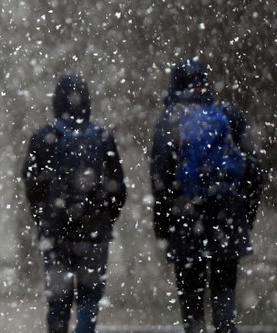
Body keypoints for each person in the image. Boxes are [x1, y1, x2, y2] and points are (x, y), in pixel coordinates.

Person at [150, 58, 265, 333]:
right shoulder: (228, 115)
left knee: (192, 304)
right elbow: (254, 172)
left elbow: (160, 181)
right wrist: (244, 216)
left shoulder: (170, 123)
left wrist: (163, 227)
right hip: (227, 219)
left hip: (186, 221)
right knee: (224, 300)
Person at [22, 74, 127, 333]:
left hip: (56, 234)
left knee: (58, 303)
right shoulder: (102, 137)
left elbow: (32, 188)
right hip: (93, 234)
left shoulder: (42, 138)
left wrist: (45, 218)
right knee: (89, 299)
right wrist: (103, 218)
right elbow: (118, 187)